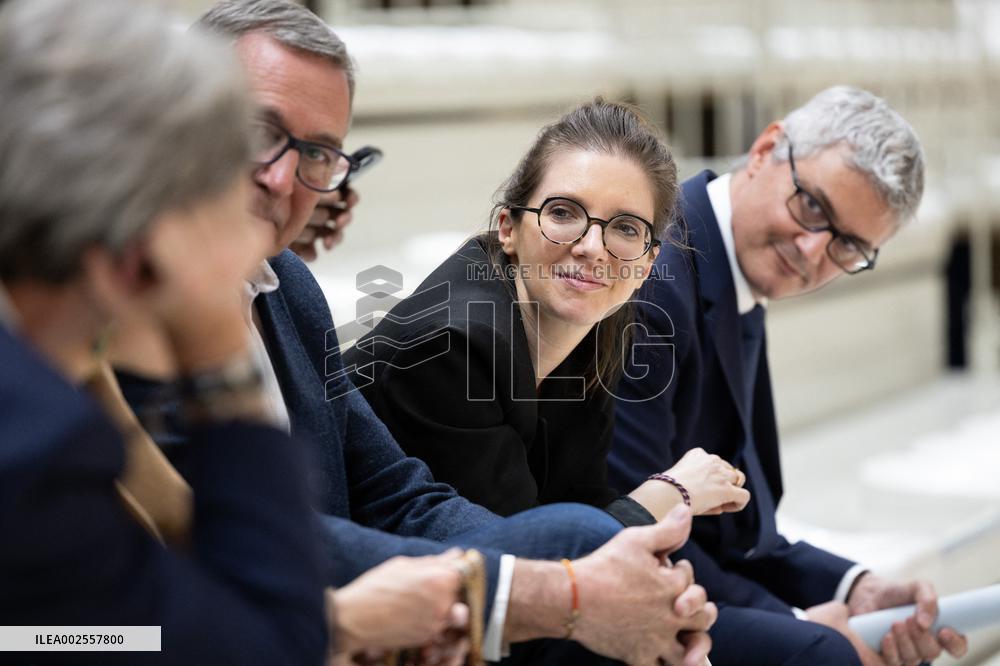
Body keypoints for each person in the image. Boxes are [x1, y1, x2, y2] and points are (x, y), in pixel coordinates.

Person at [110, 1, 717, 664]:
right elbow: (202, 544)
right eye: (256, 129)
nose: (281, 177)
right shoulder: (113, 305)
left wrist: (597, 566)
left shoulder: (289, 288)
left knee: (587, 545)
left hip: (336, 608)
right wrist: (548, 586)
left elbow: (395, 488)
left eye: (316, 154)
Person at [0, 0, 327, 662]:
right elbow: (270, 651)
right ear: (139, 248)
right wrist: (218, 349)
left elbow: (66, 637)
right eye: (219, 202)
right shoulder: (37, 445)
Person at [609, 86, 969, 665]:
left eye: (847, 245)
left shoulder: (730, 268)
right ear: (765, 149)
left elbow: (738, 533)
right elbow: (635, 520)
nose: (812, 249)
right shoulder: (657, 271)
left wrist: (853, 587)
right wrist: (800, 624)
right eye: (813, 207)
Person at [342, 99, 750, 527]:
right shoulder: (450, 348)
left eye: (626, 228)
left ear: (648, 262)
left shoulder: (596, 325)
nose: (592, 246)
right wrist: (669, 495)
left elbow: (578, 503)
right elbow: (525, 557)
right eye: (563, 213)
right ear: (508, 228)